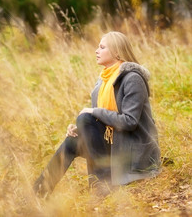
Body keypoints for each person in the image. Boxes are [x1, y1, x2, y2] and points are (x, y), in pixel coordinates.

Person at [33, 31, 161, 197]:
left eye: (102, 47)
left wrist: (92, 112)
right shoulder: (103, 80)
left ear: (116, 52)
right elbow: (99, 122)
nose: (96, 51)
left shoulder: (132, 78)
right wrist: (81, 128)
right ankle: (39, 193)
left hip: (133, 151)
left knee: (86, 116)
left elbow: (129, 122)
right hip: (113, 144)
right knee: (73, 139)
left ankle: (104, 187)